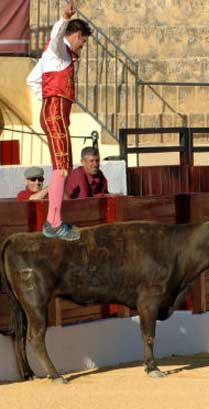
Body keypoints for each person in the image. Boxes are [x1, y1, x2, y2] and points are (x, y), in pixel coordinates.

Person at [26, 0, 91, 240]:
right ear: (75, 35)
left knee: (64, 166)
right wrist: (64, 17)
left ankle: (54, 220)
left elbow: (32, 80)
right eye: (82, 41)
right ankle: (53, 222)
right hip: (54, 113)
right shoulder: (57, 49)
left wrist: (46, 99)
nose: (82, 46)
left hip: (55, 113)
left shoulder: (54, 57)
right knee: (62, 168)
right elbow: (55, 37)